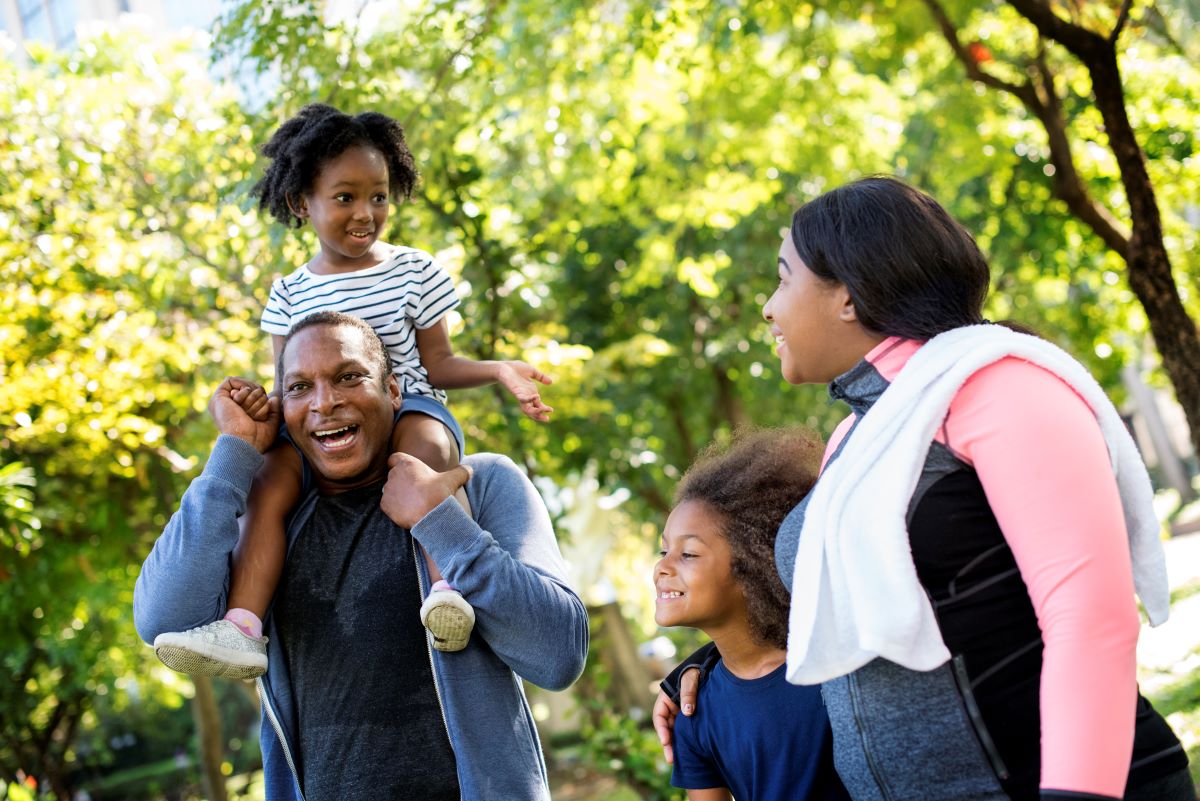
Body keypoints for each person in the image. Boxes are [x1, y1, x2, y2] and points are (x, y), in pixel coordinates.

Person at [653, 177, 1193, 801]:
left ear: (848, 296)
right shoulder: (858, 437)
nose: (769, 308)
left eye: (783, 278)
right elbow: (843, 620)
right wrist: (715, 675)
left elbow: (1088, 619)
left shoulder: (1000, 388)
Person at [152, 103, 554, 678]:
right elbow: (287, 387)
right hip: (319, 429)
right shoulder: (288, 294)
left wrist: (498, 371)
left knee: (425, 446)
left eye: (380, 196)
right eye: (345, 197)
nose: (366, 212)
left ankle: (448, 592)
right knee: (268, 485)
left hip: (408, 404)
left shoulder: (414, 270)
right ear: (301, 203)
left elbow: (436, 364)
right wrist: (257, 411)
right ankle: (242, 626)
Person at [134, 312, 588, 800]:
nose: (325, 403)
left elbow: (558, 655)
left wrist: (441, 523)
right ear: (282, 407)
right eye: (300, 388)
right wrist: (233, 452)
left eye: (349, 377)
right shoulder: (270, 525)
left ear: (394, 391)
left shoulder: (480, 486)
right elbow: (163, 619)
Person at [654, 428, 850, 801]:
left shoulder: (832, 671)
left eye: (689, 553)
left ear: (754, 567)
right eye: (662, 551)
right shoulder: (693, 709)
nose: (663, 567)